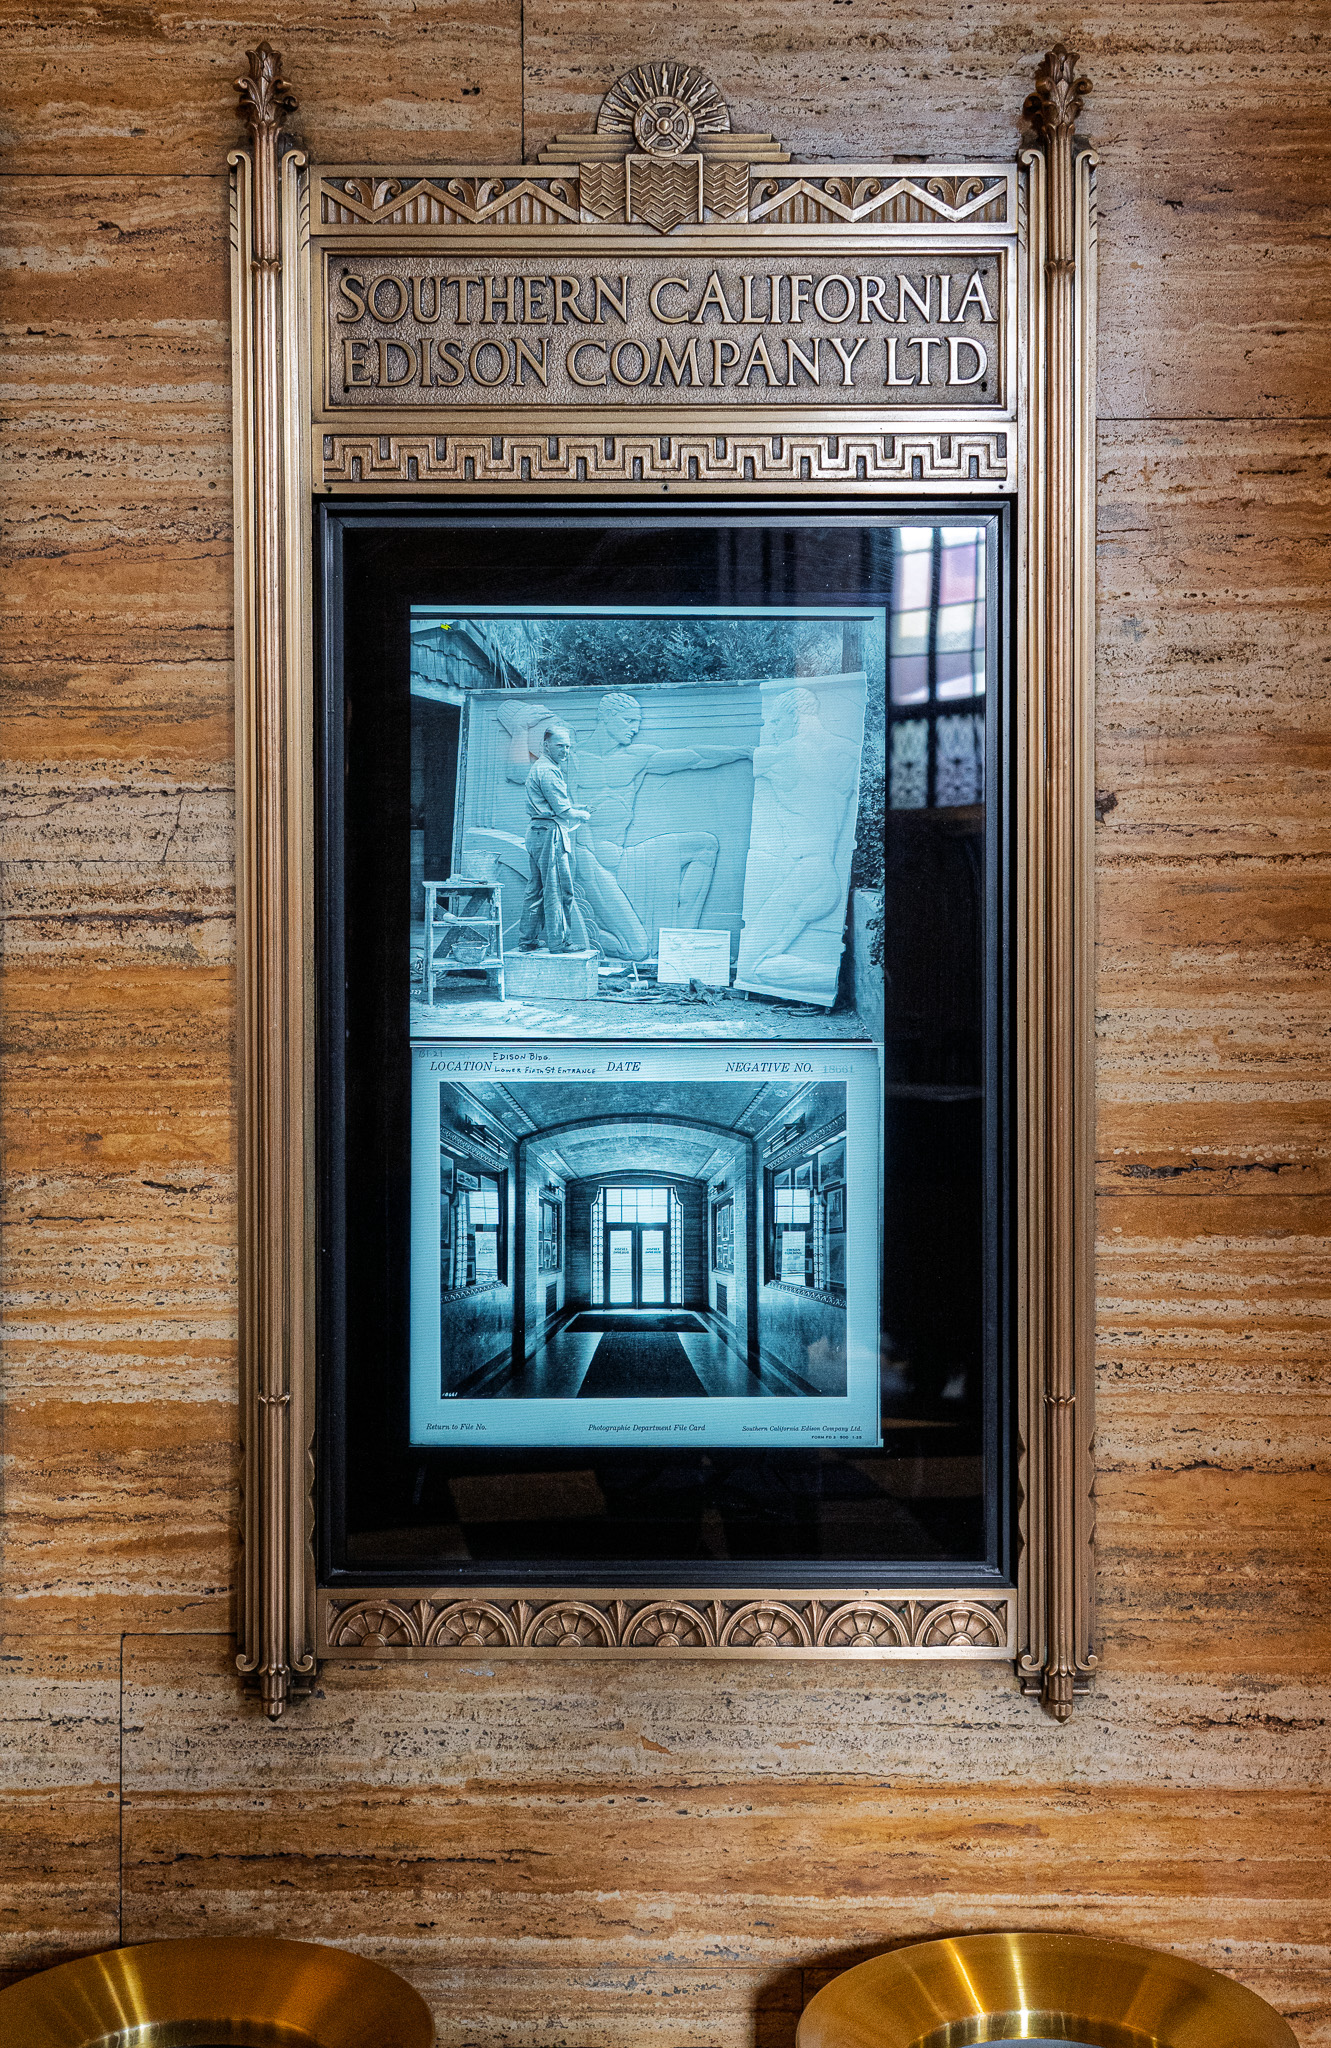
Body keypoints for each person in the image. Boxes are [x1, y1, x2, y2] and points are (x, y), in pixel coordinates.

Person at [573, 690, 756, 961]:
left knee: (705, 845)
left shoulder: (637, 757)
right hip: (587, 862)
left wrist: (743, 752)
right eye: (628, 720)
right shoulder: (572, 759)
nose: (635, 729)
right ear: (606, 717)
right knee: (635, 950)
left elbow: (695, 757)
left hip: (621, 857)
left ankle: (679, 942)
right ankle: (573, 930)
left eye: (638, 722)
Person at [517, 725, 592, 953]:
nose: (565, 751)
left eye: (568, 746)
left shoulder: (541, 768)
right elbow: (563, 811)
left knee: (536, 889)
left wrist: (575, 808)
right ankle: (560, 943)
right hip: (550, 834)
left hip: (538, 831)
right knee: (558, 889)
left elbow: (553, 805)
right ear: (546, 745)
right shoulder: (549, 770)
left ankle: (527, 941)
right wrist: (581, 814)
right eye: (560, 745)